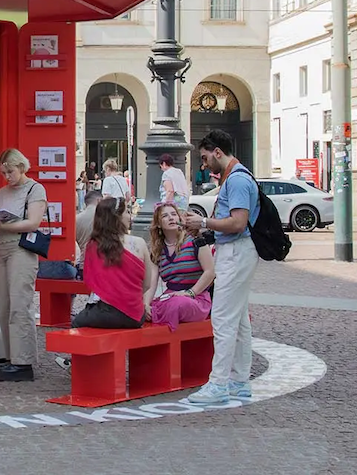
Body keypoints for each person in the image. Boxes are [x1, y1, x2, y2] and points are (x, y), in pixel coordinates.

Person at [181, 128, 260, 406]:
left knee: (224, 319)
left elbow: (237, 223)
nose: (204, 164)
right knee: (238, 321)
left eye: (204, 157)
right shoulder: (238, 177)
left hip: (236, 252)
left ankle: (219, 384)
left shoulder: (236, 181)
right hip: (238, 250)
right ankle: (238, 381)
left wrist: (202, 223)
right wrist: (207, 231)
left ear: (217, 152)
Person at [0, 148, 46, 383]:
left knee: (20, 303)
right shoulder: (2, 193)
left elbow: (33, 222)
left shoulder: (35, 189)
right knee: (3, 305)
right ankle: (11, 356)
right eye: (4, 172)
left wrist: (3, 226)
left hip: (21, 249)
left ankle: (23, 360)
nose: (7, 176)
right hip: (1, 247)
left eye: (11, 171)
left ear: (21, 167)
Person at [72, 197, 152, 329]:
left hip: (106, 312)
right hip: (135, 315)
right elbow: (147, 284)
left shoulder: (93, 246)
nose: (129, 216)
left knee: (77, 323)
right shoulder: (139, 243)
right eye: (126, 212)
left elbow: (90, 281)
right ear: (117, 217)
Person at [147, 202, 215, 330]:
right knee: (146, 307)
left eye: (174, 214)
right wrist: (145, 304)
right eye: (165, 216)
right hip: (170, 295)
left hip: (196, 297)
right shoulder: (157, 250)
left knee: (178, 304)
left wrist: (190, 293)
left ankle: (162, 315)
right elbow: (151, 283)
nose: (171, 218)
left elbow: (210, 272)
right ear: (158, 224)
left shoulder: (195, 240)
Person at [38, 189, 101, 281]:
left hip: (84, 265)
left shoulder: (77, 219)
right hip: (101, 265)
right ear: (99, 200)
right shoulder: (105, 217)